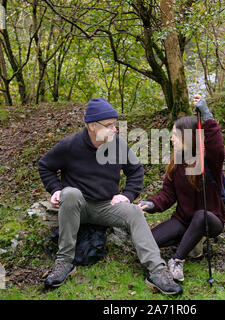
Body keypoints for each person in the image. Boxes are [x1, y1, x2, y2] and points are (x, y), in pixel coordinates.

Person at [38, 97, 182, 295]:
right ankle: (64, 263)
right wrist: (55, 189)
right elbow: (45, 166)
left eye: (115, 124)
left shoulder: (118, 144)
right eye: (110, 125)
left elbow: (136, 171)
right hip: (77, 206)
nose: (115, 129)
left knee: (133, 212)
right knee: (69, 193)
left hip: (105, 206)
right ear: (92, 126)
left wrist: (128, 195)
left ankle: (157, 271)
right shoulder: (70, 145)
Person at [139, 96, 225, 282]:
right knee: (148, 242)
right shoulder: (176, 162)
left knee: (200, 215)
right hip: (183, 220)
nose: (171, 138)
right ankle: (190, 239)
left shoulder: (208, 161)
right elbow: (167, 195)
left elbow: (217, 147)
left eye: (175, 134)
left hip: (210, 219)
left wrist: (206, 115)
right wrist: (151, 204)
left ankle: (177, 260)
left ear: (188, 136)